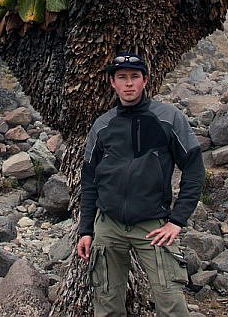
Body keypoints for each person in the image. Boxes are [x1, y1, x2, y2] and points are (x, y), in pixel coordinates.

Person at [76, 52, 205, 316]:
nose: (129, 84)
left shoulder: (169, 118)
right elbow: (89, 180)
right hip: (109, 226)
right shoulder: (102, 125)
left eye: (135, 76)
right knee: (107, 301)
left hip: (153, 225)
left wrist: (177, 221)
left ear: (145, 80)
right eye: (122, 77)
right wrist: (86, 230)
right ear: (112, 82)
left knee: (171, 302)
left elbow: (194, 168)